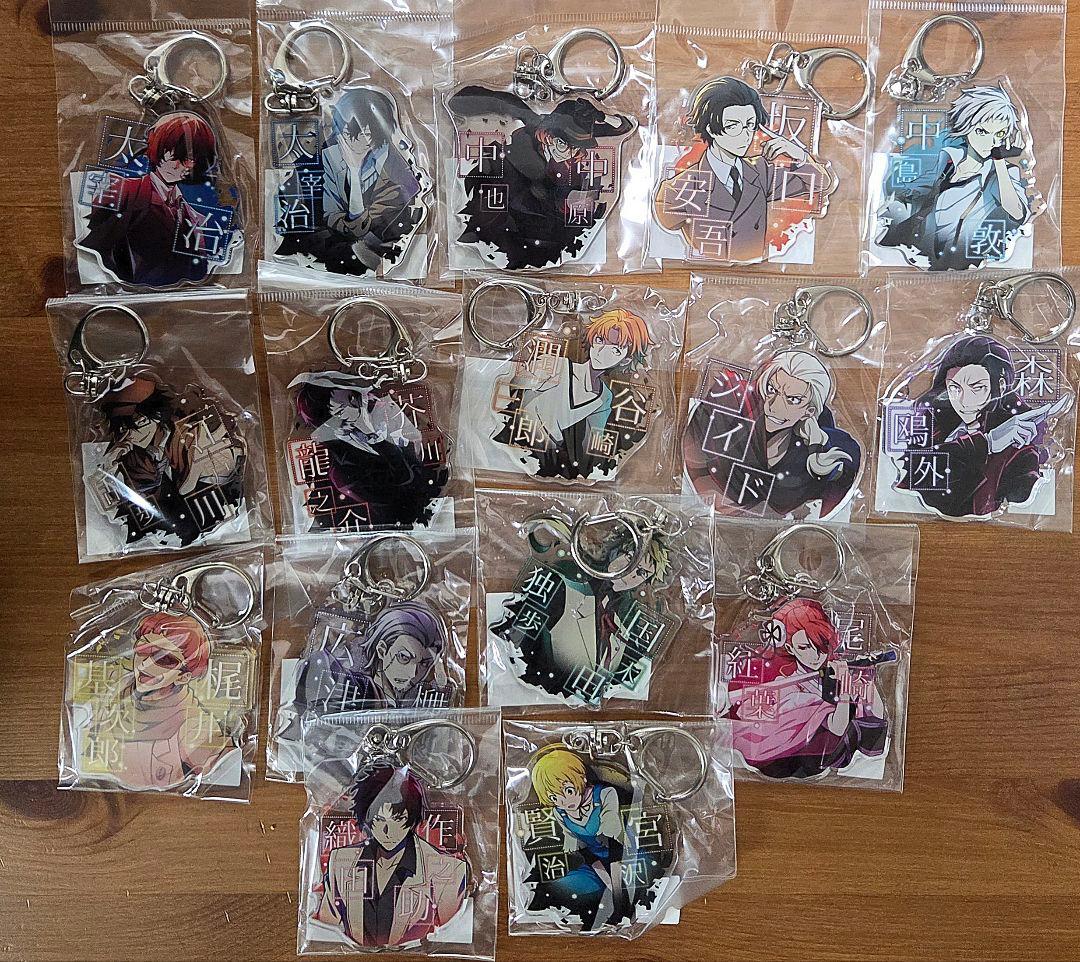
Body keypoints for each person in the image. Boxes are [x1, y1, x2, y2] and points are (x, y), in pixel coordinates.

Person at [449, 87, 636, 269]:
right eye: (563, 144)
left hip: (553, 243)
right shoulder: (523, 148)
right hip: (511, 230)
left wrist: (601, 115)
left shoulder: (568, 160)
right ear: (547, 135)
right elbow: (462, 100)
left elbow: (625, 127)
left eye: (575, 148)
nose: (568, 153)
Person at [654, 77, 831, 263]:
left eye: (750, 125)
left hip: (760, 269)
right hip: (705, 268)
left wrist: (799, 154)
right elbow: (667, 223)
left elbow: (819, 184)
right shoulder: (679, 188)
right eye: (733, 126)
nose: (745, 135)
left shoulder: (761, 171)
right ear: (711, 129)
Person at [492, 522, 672, 701]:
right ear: (614, 552)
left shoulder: (620, 629)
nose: (630, 573)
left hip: (574, 707)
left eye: (642, 573)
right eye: (629, 558)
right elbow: (517, 637)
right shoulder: (564, 588)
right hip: (529, 691)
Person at [895, 334, 1069, 517]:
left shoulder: (1021, 451)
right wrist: (986, 443)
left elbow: (1015, 499)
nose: (963, 401)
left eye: (977, 388)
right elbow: (912, 478)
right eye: (954, 388)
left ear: (1000, 386)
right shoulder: (934, 426)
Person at [722, 598, 888, 779]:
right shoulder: (788, 688)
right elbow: (837, 728)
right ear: (790, 648)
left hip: (843, 766)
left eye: (821, 646)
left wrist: (864, 679)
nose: (815, 655)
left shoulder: (834, 675)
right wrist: (845, 693)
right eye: (804, 647)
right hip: (792, 764)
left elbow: (876, 719)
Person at [683, 350, 860, 519]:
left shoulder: (815, 453)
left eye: (793, 399)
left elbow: (844, 473)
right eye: (772, 389)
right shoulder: (732, 412)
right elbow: (697, 455)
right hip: (708, 518)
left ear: (809, 411)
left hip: (796, 532)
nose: (773, 407)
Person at [876, 85, 1031, 270]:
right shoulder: (949, 159)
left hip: (956, 258)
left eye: (999, 134)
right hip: (920, 248)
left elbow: (1017, 212)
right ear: (966, 127)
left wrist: (999, 159)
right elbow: (922, 189)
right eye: (982, 132)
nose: (991, 142)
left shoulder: (999, 174)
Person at [276, 88, 425, 274]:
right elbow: (331, 215)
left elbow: (358, 227)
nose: (358, 143)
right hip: (337, 251)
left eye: (368, 135)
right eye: (348, 134)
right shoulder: (331, 156)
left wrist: (354, 171)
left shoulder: (396, 172)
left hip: (383, 248)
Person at [318, 764, 468, 947]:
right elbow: (325, 931)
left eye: (398, 819)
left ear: (411, 818)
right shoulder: (341, 862)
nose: (387, 831)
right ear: (367, 819)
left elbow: (452, 939)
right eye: (379, 819)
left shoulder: (449, 871)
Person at [492, 310, 653, 480]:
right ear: (591, 338)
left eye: (615, 350)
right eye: (600, 340)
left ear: (626, 360)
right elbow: (512, 386)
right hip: (515, 440)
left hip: (548, 456)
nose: (602, 352)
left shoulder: (604, 397)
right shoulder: (557, 365)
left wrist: (594, 466)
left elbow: (593, 441)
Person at [85, 613, 233, 791]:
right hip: (99, 795)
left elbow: (228, 773)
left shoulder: (193, 725)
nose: (145, 665)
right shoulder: (111, 698)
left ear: (184, 677)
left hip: (157, 804)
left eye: (164, 659)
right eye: (143, 650)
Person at [80, 111, 226, 286]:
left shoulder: (194, 218)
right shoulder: (124, 191)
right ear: (160, 148)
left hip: (182, 295)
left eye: (192, 159)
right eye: (179, 156)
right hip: (125, 289)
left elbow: (199, 270)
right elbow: (93, 246)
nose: (185, 166)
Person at [290, 370, 449, 529]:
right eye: (342, 409)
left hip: (435, 505)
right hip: (403, 526)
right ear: (332, 424)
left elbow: (421, 452)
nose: (358, 403)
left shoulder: (384, 415)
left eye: (352, 397)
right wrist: (377, 439)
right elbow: (405, 481)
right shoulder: (343, 472)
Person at [99, 375, 245, 545]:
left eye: (129, 428)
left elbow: (199, 484)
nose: (128, 438)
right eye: (123, 430)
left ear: (146, 419)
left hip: (217, 514)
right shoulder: (140, 457)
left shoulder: (193, 435)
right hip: (188, 530)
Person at [285, 603, 452, 734]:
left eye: (424, 664)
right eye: (404, 657)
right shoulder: (351, 685)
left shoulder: (419, 699)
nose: (413, 674)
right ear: (382, 650)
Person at [528, 747, 631, 931]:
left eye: (568, 790)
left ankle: (620, 910)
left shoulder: (605, 794)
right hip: (594, 860)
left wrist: (617, 895)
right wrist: (609, 885)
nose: (564, 801)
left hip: (622, 854)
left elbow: (614, 839)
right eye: (554, 797)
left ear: (581, 778)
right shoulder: (560, 812)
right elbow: (582, 850)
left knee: (623, 889)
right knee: (567, 883)